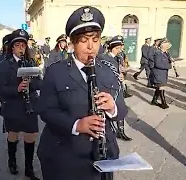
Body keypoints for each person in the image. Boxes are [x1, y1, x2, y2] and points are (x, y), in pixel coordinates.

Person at [37, 6, 128, 180]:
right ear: (72, 43)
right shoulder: (55, 71)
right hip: (66, 158)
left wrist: (113, 108)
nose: (90, 46)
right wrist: (77, 125)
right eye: (84, 40)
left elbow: (122, 110)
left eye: (95, 39)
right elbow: (45, 110)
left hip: (103, 155)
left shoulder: (108, 69)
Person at [0, 29, 41, 180]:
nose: (21, 48)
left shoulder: (31, 62)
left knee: (31, 135)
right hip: (13, 105)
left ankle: (29, 168)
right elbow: (0, 88)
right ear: (12, 47)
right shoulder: (3, 64)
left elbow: (39, 82)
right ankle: (12, 161)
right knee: (13, 135)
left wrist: (31, 84)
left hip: (29, 106)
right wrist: (17, 88)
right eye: (18, 45)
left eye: (23, 45)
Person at [150, 38, 172, 109]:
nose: (168, 47)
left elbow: (166, 61)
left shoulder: (165, 53)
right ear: (163, 45)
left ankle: (154, 100)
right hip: (158, 73)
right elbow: (158, 64)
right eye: (167, 45)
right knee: (162, 87)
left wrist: (170, 60)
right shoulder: (158, 53)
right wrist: (169, 66)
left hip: (163, 73)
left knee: (159, 87)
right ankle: (163, 103)